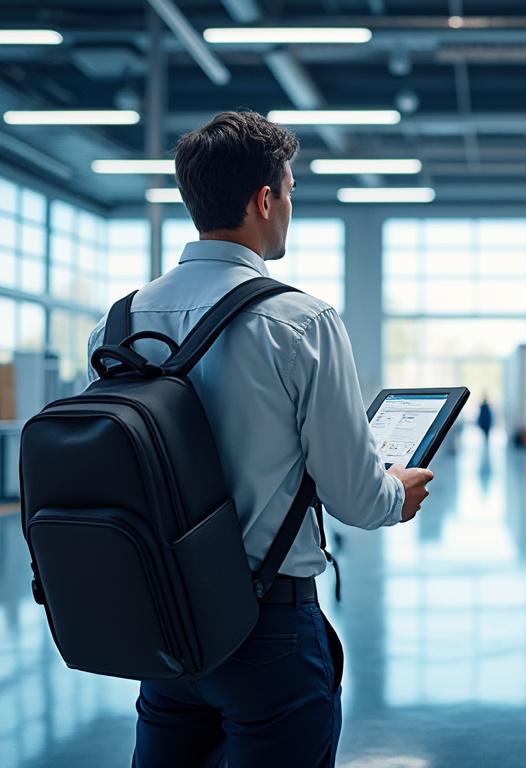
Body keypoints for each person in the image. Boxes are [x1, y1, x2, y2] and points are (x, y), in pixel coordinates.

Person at [86, 111, 433, 767]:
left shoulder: (118, 322)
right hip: (267, 625)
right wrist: (396, 493)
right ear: (265, 199)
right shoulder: (298, 321)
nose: (290, 208)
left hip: (162, 621)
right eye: (291, 191)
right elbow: (355, 498)